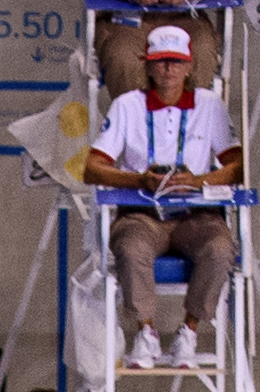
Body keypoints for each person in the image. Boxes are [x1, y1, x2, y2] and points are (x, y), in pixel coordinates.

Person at [86, 24, 240, 372]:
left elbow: (237, 165)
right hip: (143, 213)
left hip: (196, 214)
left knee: (220, 249)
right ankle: (146, 332)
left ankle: (188, 331)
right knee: (129, 247)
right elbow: (92, 168)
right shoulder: (127, 105)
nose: (168, 69)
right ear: (147, 65)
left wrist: (198, 180)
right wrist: (138, 178)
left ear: (189, 66)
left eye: (175, 61)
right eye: (160, 62)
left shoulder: (210, 104)